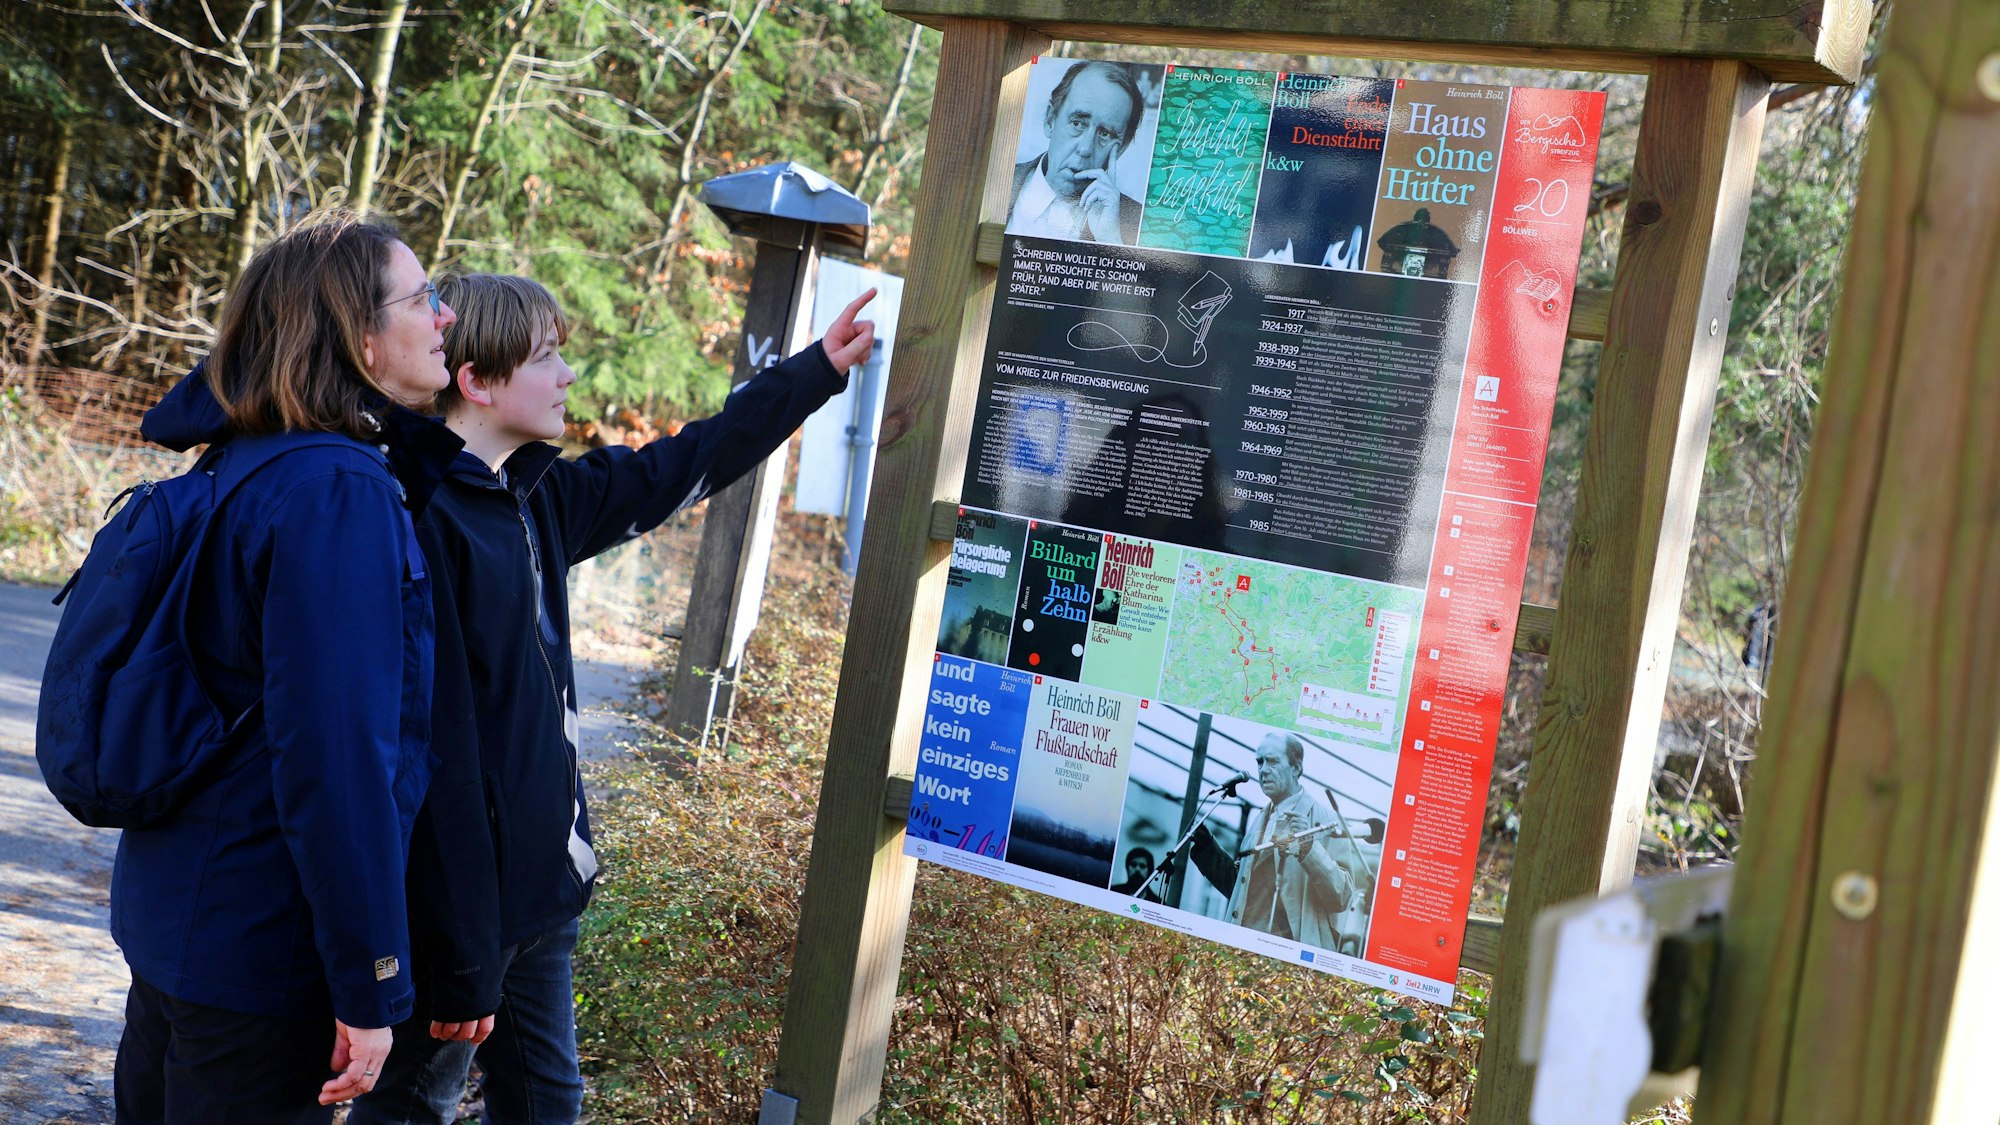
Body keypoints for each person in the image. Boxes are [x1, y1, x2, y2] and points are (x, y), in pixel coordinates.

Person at [348, 273, 875, 1125]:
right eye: (547, 357)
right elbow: (433, 757)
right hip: (456, 915)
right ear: (478, 380)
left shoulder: (542, 496)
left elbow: (682, 463)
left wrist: (814, 371)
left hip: (540, 899)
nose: (568, 377)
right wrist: (461, 950)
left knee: (551, 1103)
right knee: (414, 1103)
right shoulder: (421, 518)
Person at [117, 211, 466, 1123]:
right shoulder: (337, 489)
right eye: (425, 298)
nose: (445, 319)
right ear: (359, 336)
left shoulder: (243, 458)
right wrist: (370, 983)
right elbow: (338, 760)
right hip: (261, 962)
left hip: (182, 928)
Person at [1187, 733, 1360, 950]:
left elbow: (1342, 896)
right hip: (1244, 947)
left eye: (1273, 761)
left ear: (1296, 768)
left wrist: (1309, 849)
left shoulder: (1325, 820)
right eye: (1259, 762)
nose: (1263, 770)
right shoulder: (1260, 820)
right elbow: (1242, 890)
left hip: (1291, 955)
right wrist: (1206, 848)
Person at [1007, 60, 1146, 244]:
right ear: (1050, 120)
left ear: (1121, 148)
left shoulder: (1142, 223)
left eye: (1105, 134)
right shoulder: (999, 181)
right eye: (1077, 123)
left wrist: (1110, 241)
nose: (1085, 149)